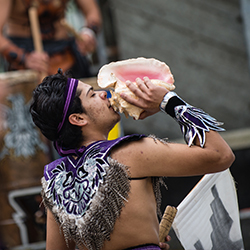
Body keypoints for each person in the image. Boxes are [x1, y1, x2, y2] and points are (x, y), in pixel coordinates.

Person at [29, 69, 235, 250]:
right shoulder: (131, 152)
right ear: (78, 119)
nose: (103, 94)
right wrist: (168, 101)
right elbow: (221, 155)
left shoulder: (54, 179)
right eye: (92, 94)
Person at [0, 0, 102, 78]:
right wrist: (24, 59)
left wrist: (89, 32)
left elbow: (92, 12)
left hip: (65, 53)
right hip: (23, 54)